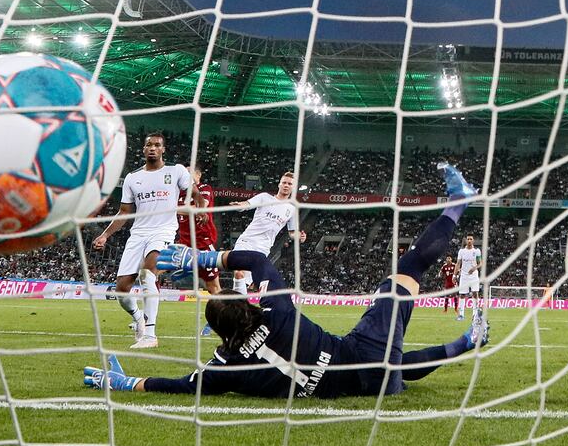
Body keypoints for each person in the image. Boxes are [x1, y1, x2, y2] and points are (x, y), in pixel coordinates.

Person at [83, 163, 490, 397]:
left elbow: (182, 386)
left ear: (220, 334)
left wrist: (126, 382)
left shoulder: (225, 363)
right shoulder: (275, 315)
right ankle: (459, 205)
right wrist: (202, 256)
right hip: (357, 354)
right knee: (407, 271)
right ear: (246, 305)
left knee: (391, 364)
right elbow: (259, 263)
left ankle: (467, 341)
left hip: (365, 385)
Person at [93, 132, 206, 349]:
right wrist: (105, 234)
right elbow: (124, 212)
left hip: (163, 231)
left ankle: (151, 336)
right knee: (121, 289)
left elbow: (195, 192)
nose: (152, 148)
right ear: (143, 150)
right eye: (148, 145)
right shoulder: (133, 178)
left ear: (163, 149)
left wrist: (201, 209)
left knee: (147, 274)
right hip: (138, 234)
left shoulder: (176, 171)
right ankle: (138, 319)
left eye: (157, 145)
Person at [229, 172, 306, 295]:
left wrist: (300, 237)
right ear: (279, 184)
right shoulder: (264, 197)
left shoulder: (292, 209)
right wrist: (239, 205)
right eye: (284, 182)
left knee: (249, 283)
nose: (286, 185)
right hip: (247, 240)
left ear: (293, 187)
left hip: (263, 247)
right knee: (238, 272)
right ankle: (237, 305)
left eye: (289, 184)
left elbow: (292, 232)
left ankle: (240, 304)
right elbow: (247, 204)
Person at [176, 164, 220, 336]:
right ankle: (144, 319)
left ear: (198, 175)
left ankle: (218, 321)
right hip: (183, 244)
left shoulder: (204, 189)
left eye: (189, 172)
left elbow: (201, 206)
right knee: (153, 268)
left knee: (213, 287)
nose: (185, 175)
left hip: (203, 243)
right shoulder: (178, 193)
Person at [454, 234, 482, 321]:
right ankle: (461, 315)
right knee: (462, 294)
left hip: (474, 276)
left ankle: (475, 314)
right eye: (468, 239)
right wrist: (454, 275)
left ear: (473, 241)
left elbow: (480, 263)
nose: (469, 240)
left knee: (475, 293)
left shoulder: (477, 251)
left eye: (471, 239)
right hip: (464, 275)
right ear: (466, 241)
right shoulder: (461, 251)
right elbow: (458, 263)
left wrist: (474, 268)